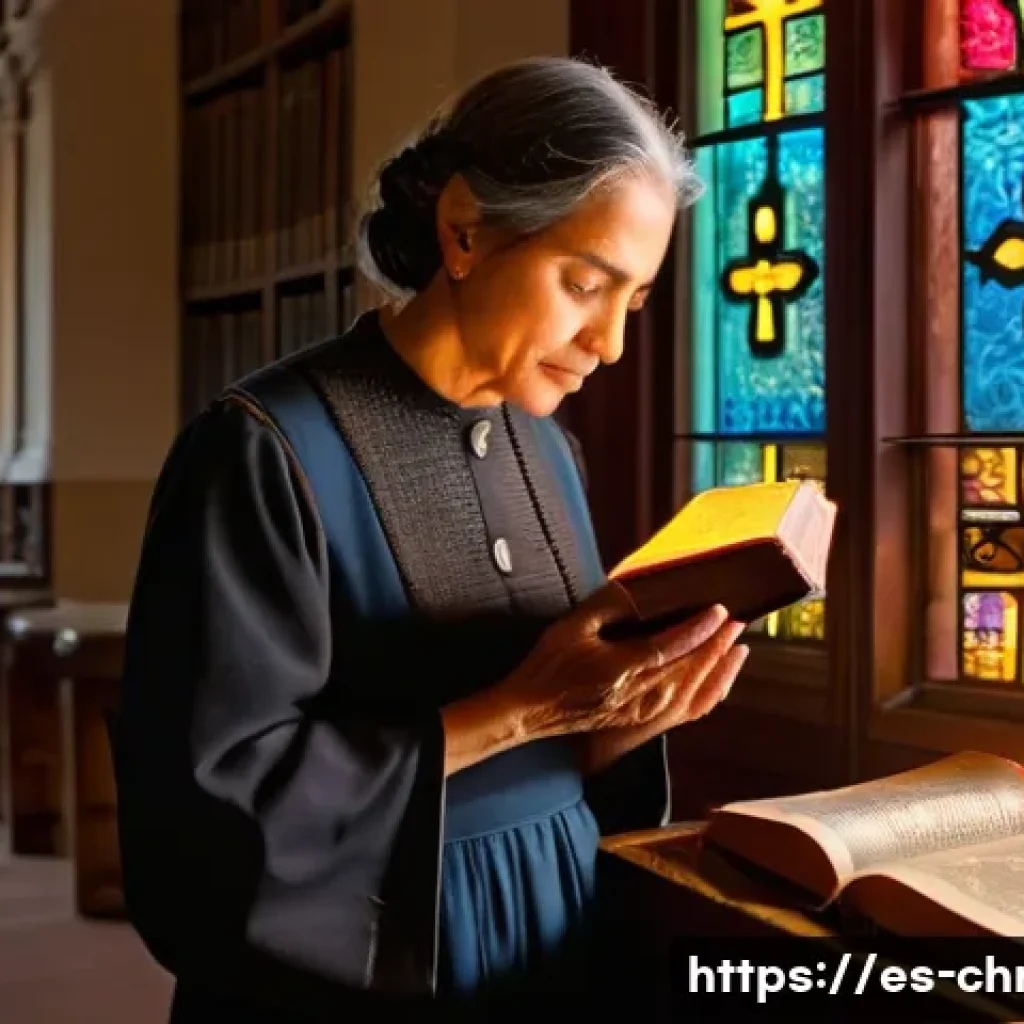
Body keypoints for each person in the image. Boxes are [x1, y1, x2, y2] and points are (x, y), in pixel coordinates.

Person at [113, 55, 749, 1021]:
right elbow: (208, 808)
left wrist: (620, 722)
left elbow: (551, 747)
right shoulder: (261, 449)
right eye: (585, 282)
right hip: (371, 951)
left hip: (553, 918)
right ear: (465, 230)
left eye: (636, 301)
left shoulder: (550, 450)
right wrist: (519, 712)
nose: (611, 342)